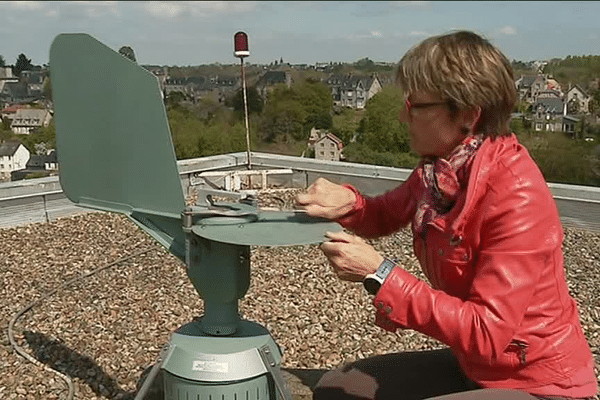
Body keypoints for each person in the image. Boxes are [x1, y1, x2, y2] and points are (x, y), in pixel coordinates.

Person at [296, 30, 598, 400]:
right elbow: (384, 214)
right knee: (337, 390)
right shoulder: (439, 174)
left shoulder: (517, 196)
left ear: (468, 116)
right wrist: (348, 202)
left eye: (415, 106)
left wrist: (381, 274)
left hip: (537, 383)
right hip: (477, 365)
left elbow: (487, 333)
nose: (402, 114)